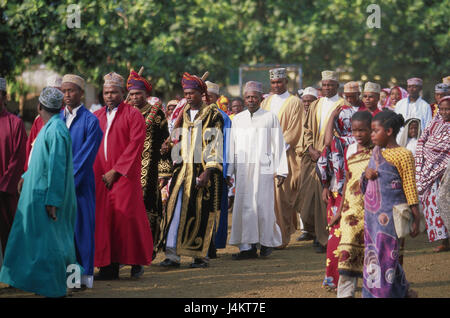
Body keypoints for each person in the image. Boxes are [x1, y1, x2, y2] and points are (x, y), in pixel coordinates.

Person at [0, 87, 77, 298]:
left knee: (58, 244)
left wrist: (53, 199)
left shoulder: (55, 130)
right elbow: (39, 160)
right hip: (44, 194)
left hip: (50, 197)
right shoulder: (49, 128)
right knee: (54, 242)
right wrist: (25, 177)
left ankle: (64, 286)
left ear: (40, 106)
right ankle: (61, 285)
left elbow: (57, 167)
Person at [158, 72, 224, 269]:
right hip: (181, 172)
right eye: (185, 93)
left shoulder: (213, 115)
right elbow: (177, 138)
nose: (188, 97)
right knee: (174, 212)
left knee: (199, 214)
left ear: (201, 94)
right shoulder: (183, 114)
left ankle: (199, 256)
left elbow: (214, 144)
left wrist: (208, 172)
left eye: (191, 93)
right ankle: (172, 255)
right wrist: (168, 147)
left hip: (200, 171)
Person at [93, 72, 153, 280]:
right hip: (100, 177)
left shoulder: (132, 114)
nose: (109, 96)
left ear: (122, 93)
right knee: (104, 221)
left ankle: (136, 261)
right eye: (106, 92)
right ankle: (108, 267)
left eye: (114, 92)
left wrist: (116, 171)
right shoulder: (97, 116)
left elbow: (135, 145)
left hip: (124, 177)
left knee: (128, 218)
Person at [361, 109, 420, 298]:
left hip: (391, 218)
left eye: (375, 130)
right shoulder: (376, 153)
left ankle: (382, 294)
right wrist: (366, 175)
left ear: (388, 131)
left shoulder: (403, 155)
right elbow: (365, 183)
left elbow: (410, 187)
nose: (371, 135)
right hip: (372, 218)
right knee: (373, 255)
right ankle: (400, 291)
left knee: (387, 256)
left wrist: (416, 218)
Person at [227, 81, 288, 260]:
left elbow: (278, 143)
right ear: (244, 99)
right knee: (245, 206)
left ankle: (266, 243)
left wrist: (282, 170)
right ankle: (247, 247)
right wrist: (229, 171)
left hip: (264, 168)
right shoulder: (238, 119)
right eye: (248, 97)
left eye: (254, 97)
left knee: (263, 205)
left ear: (261, 98)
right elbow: (232, 146)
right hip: (243, 170)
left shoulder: (270, 117)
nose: (251, 100)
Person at [316, 81, 364, 289]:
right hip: (348, 193)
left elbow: (324, 159)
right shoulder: (352, 143)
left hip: (347, 194)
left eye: (353, 95)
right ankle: (340, 279)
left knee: (344, 235)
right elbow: (325, 155)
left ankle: (339, 279)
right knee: (344, 234)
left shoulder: (343, 143)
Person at [60, 74, 103, 289]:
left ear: (81, 93)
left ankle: (81, 279)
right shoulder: (57, 119)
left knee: (81, 233)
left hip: (80, 187)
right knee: (64, 234)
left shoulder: (91, 121)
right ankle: (67, 278)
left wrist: (67, 184)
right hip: (60, 187)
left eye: (71, 91)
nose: (67, 95)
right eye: (64, 91)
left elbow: (85, 159)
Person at [126, 70, 172, 260]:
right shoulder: (124, 112)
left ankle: (148, 247)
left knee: (149, 210)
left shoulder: (157, 114)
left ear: (146, 94)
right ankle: (128, 248)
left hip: (150, 170)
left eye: (139, 94)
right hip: (127, 169)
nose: (136, 98)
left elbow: (165, 143)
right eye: (133, 94)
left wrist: (164, 172)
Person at [299, 70, 345, 253]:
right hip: (314, 157)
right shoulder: (316, 104)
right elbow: (307, 130)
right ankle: (318, 234)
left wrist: (327, 153)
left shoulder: (343, 105)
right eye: (324, 85)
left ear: (337, 86)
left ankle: (325, 238)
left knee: (328, 198)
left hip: (334, 157)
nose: (327, 88)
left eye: (330, 85)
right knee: (311, 200)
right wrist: (310, 149)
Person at [261, 67, 304, 249]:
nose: (276, 85)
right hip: (265, 156)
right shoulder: (266, 102)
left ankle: (283, 237)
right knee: (266, 197)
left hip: (285, 156)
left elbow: (294, 131)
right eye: (273, 82)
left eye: (279, 82)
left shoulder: (295, 102)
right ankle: (268, 235)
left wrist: (275, 148)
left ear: (286, 82)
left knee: (282, 198)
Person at [332, 111, 373, 298]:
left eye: (362, 130)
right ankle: (345, 294)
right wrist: (339, 211)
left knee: (373, 255)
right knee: (347, 251)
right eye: (355, 130)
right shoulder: (350, 150)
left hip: (373, 211)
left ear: (371, 129)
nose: (358, 134)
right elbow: (348, 181)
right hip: (351, 211)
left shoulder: (380, 151)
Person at [415, 96, 450, 252]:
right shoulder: (433, 123)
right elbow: (422, 141)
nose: (444, 112)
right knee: (433, 203)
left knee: (445, 201)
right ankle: (443, 240)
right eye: (441, 108)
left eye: (447, 108)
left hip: (446, 170)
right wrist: (424, 161)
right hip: (429, 170)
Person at [0, 78, 27, 264]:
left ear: (4, 96)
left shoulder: (14, 124)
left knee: (10, 233)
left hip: (7, 192)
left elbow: (18, 158)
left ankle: (13, 275)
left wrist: (3, 185)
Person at [204, 80, 232, 258]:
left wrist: (227, 171)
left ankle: (212, 244)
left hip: (217, 169)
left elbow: (228, 145)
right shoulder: (195, 115)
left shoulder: (223, 117)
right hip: (197, 168)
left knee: (216, 208)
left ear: (216, 98)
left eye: (210, 96)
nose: (207, 99)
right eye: (204, 96)